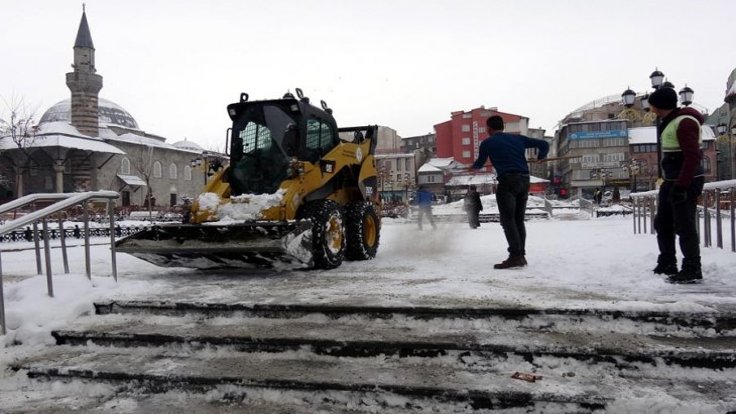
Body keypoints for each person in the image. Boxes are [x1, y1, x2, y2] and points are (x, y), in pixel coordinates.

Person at [469, 115, 549, 269]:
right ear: (503, 127)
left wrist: (473, 167)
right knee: (518, 220)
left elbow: (480, 163)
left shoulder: (487, 143)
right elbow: (544, 144)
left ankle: (515, 256)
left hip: (508, 182)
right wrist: (541, 157)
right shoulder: (518, 139)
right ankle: (520, 255)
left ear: (489, 129)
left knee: (508, 220)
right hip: (525, 181)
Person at [648, 87, 705, 284]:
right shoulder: (671, 121)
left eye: (653, 105)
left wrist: (682, 186)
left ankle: (692, 268)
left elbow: (692, 157)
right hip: (670, 180)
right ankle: (668, 261)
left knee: (684, 225)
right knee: (662, 223)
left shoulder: (685, 122)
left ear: (659, 105)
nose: (651, 109)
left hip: (685, 182)